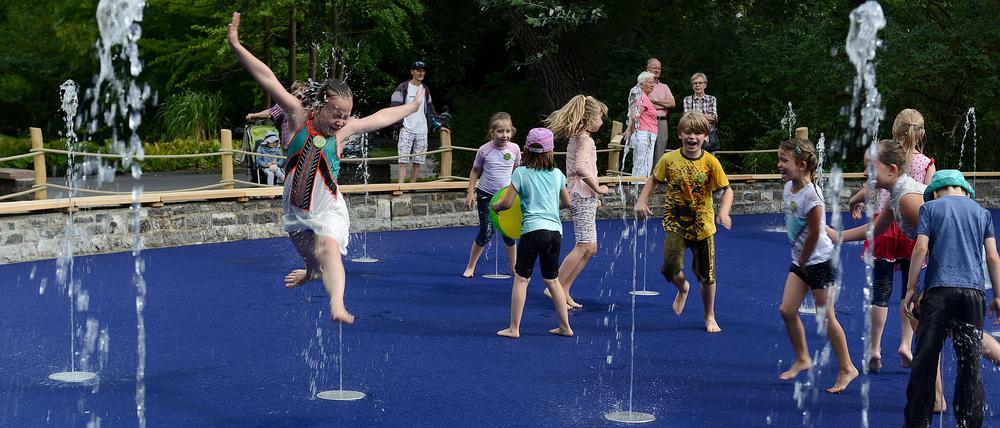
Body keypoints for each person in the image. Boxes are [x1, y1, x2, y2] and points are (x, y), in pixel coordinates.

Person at [228, 12, 423, 324]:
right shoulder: (295, 117)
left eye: (346, 115)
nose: (341, 121)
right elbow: (267, 77)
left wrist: (411, 107)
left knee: (328, 249)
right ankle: (311, 272)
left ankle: (338, 305)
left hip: (328, 208)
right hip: (295, 210)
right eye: (336, 113)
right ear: (318, 106)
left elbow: (380, 117)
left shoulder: (342, 134)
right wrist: (237, 45)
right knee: (312, 259)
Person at [901, 169, 1000, 427]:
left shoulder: (930, 209)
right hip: (973, 296)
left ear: (934, 193)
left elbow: (921, 248)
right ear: (966, 191)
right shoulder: (982, 213)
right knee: (970, 365)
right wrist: (998, 296)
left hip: (939, 294)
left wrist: (911, 289)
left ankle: (917, 421)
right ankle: (969, 422)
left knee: (925, 361)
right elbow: (992, 257)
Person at [846, 109, 935, 373]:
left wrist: (855, 199)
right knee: (910, 289)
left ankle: (875, 348)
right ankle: (906, 345)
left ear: (896, 132)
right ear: (921, 133)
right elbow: (930, 198)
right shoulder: (925, 163)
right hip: (914, 232)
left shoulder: (887, 158)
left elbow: (872, 186)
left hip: (885, 227)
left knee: (880, 290)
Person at [634, 111, 733, 333]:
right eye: (688, 132)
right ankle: (683, 287)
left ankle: (709, 315)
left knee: (707, 276)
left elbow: (727, 190)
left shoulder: (710, 163)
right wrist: (642, 200)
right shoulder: (669, 160)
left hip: (703, 226)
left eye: (698, 133)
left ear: (705, 137)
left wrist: (724, 212)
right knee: (669, 269)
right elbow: (654, 180)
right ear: (679, 134)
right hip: (675, 223)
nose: (692, 137)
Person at [775, 138, 859, 394]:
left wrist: (802, 262)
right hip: (802, 260)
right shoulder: (790, 186)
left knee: (826, 317)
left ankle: (847, 368)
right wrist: (800, 262)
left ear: (802, 165)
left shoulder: (813, 196)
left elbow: (814, 233)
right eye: (779, 159)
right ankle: (803, 357)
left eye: (784, 161)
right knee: (787, 310)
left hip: (819, 261)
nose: (779, 165)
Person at [494, 128, 573, 339]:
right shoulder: (557, 174)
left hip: (532, 231)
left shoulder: (520, 173)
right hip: (554, 232)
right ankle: (565, 326)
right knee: (553, 281)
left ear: (526, 149)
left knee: (521, 279)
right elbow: (567, 203)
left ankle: (514, 328)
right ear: (551, 151)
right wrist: (550, 207)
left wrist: (496, 208)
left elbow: (507, 203)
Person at [544, 95, 610, 309]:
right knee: (584, 245)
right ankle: (554, 286)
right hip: (581, 194)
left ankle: (564, 289)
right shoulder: (585, 139)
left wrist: (595, 195)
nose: (602, 121)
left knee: (590, 248)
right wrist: (597, 188)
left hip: (583, 195)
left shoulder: (578, 137)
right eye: (600, 116)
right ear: (589, 118)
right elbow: (581, 167)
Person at [462, 112, 520, 278]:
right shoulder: (484, 150)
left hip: (506, 197)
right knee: (486, 231)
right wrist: (470, 193)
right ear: (492, 132)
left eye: (508, 131)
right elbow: (475, 171)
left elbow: (517, 171)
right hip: (486, 194)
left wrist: (516, 192)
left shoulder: (515, 149)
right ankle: (471, 266)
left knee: (509, 233)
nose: (505, 135)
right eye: (500, 131)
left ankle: (514, 267)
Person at [390, 60, 440, 184]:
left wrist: (439, 125)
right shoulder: (403, 87)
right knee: (403, 160)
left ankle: (412, 186)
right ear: (412, 72)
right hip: (406, 128)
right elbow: (394, 107)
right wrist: (400, 125)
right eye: (418, 70)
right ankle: (400, 186)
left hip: (422, 129)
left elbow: (431, 109)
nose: (421, 73)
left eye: (423, 70)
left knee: (418, 161)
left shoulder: (425, 89)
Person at [246, 80, 307, 149]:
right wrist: (254, 115)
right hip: (290, 144)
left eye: (305, 90)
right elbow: (270, 113)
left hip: (303, 144)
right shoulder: (287, 102)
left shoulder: (307, 104)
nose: (303, 92)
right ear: (293, 91)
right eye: (301, 89)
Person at [624, 72, 659, 178]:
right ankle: (640, 190)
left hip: (643, 134)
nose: (653, 84)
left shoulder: (641, 96)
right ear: (642, 84)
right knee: (644, 165)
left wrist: (631, 130)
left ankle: (636, 189)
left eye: (653, 82)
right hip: (644, 135)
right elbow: (635, 115)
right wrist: (631, 129)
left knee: (640, 164)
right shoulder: (643, 97)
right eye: (650, 82)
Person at [645, 58, 676, 161]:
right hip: (647, 121)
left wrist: (655, 101)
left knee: (660, 154)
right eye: (655, 67)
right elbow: (646, 105)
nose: (657, 70)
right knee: (646, 152)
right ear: (647, 69)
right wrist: (663, 104)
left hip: (662, 122)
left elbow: (672, 103)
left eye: (659, 68)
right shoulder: (643, 86)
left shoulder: (664, 87)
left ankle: (657, 177)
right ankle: (644, 177)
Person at [682, 73, 719, 153]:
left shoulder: (712, 99)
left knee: (709, 163)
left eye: (700, 83)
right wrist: (706, 117)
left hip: (709, 138)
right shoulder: (687, 100)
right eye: (695, 83)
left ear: (705, 85)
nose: (697, 85)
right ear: (692, 86)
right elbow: (687, 119)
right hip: (692, 137)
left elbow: (713, 118)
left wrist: (695, 115)